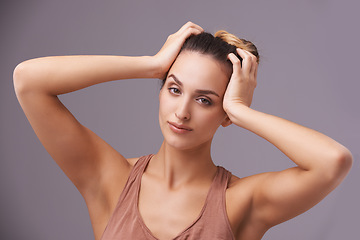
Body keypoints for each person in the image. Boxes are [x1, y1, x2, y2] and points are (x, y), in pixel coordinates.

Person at [13, 22, 352, 240]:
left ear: (224, 114)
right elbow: (28, 80)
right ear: (160, 90)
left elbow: (333, 161)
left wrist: (241, 111)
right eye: (174, 89)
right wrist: (150, 64)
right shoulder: (110, 178)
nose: (182, 111)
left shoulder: (240, 202)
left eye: (205, 100)